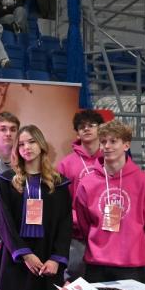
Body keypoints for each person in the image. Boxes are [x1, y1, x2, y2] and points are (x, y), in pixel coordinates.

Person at [73, 120, 145, 284]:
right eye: (103, 142)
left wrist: (138, 249)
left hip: (132, 266)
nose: (107, 146)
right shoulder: (87, 183)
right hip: (96, 265)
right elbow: (83, 223)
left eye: (113, 141)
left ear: (126, 145)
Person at [0, 124, 72, 290]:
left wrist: (56, 259)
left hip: (48, 260)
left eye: (31, 142)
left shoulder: (58, 183)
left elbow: (65, 224)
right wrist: (25, 254)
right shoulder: (7, 181)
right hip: (15, 259)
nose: (27, 148)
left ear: (41, 145)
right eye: (21, 144)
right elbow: (5, 223)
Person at [56, 108, 105, 279]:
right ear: (77, 132)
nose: (87, 129)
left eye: (92, 125)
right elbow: (60, 202)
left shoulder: (111, 158)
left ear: (100, 128)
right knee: (76, 281)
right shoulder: (66, 164)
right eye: (82, 126)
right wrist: (77, 219)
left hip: (106, 233)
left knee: (104, 283)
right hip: (77, 236)